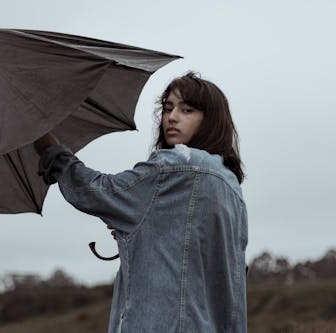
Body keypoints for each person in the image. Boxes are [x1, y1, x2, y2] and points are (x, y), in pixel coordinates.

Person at [34, 71, 248, 333]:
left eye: (187, 109)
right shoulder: (230, 185)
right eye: (168, 108)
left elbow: (100, 191)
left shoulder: (175, 165)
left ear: (211, 120)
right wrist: (144, 230)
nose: (172, 117)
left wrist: (53, 152)